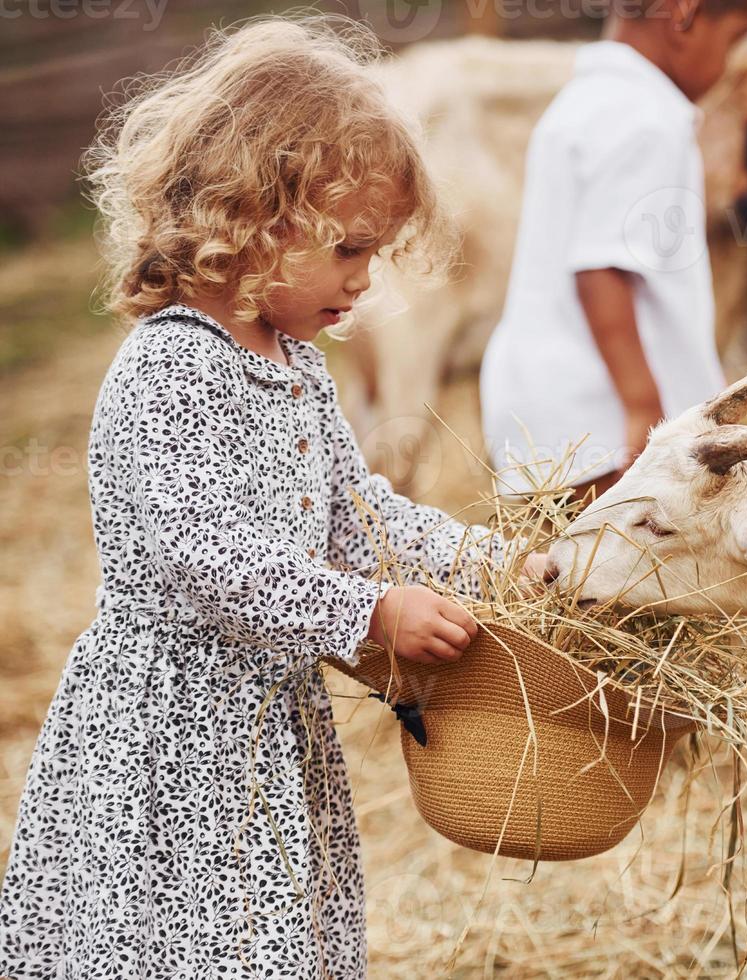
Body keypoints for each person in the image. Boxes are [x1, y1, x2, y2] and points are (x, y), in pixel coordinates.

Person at [0, 16, 509, 977]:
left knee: (264, 935)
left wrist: (486, 560)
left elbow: (355, 516)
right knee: (187, 939)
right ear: (251, 217)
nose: (364, 283)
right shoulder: (173, 368)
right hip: (172, 728)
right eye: (351, 250)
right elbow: (212, 557)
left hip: (263, 719)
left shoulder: (299, 370)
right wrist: (366, 612)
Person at [480, 0, 747, 499]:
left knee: (560, 567)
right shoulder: (647, 120)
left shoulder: (583, 102)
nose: (728, 65)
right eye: (734, 39)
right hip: (601, 418)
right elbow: (599, 267)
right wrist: (642, 405)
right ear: (685, 14)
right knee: (630, 567)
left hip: (544, 404)